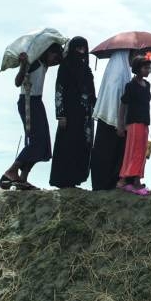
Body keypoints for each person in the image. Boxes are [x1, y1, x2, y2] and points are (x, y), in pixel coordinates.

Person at [0, 43, 63, 190]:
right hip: (28, 101)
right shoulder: (33, 63)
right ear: (47, 53)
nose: (56, 60)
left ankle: (23, 178)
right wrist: (23, 65)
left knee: (43, 144)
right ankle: (12, 171)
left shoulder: (45, 64)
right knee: (36, 141)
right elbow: (17, 82)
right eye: (54, 55)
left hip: (37, 102)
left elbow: (60, 60)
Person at [50, 37, 96, 189]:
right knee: (67, 145)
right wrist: (60, 114)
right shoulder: (65, 66)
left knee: (82, 145)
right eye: (78, 48)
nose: (81, 52)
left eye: (84, 48)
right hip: (69, 114)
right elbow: (59, 90)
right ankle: (64, 180)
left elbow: (91, 93)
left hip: (84, 115)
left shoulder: (86, 69)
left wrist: (96, 109)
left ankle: (75, 178)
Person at [90, 50, 132, 190]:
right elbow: (117, 98)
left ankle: (107, 183)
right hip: (113, 121)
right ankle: (105, 183)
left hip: (109, 119)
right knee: (109, 153)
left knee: (109, 152)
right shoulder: (120, 73)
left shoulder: (118, 71)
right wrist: (119, 123)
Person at [117, 55, 151, 196]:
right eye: (145, 68)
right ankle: (129, 181)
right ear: (137, 69)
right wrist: (120, 125)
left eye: (149, 68)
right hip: (134, 122)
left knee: (142, 152)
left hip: (144, 122)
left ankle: (133, 180)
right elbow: (123, 105)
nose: (148, 70)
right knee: (135, 152)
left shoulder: (147, 85)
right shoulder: (130, 86)